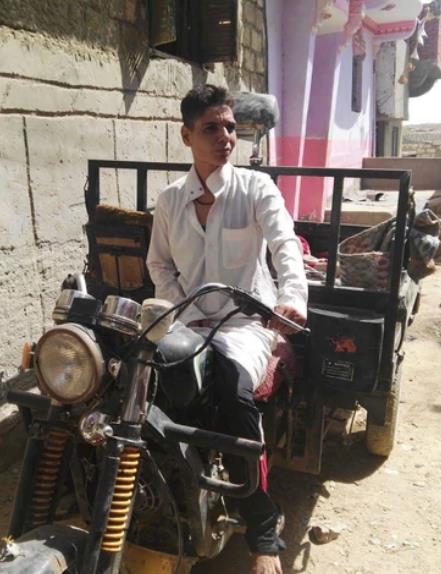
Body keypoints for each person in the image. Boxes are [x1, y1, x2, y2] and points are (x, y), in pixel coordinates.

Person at [146, 84, 308, 574]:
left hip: (246, 325)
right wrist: (181, 310)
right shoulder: (170, 200)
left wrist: (291, 298)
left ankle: (262, 532)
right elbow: (159, 265)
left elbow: (284, 246)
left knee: (232, 394)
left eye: (231, 127)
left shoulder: (256, 189)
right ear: (186, 136)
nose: (225, 138)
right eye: (211, 128)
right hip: (187, 324)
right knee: (145, 382)